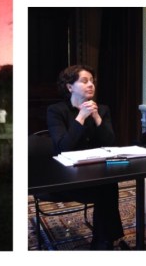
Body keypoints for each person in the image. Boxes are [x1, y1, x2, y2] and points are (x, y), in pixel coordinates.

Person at [46, 65, 125, 249]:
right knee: (107, 188)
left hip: (94, 175)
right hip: (66, 178)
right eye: (84, 81)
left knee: (108, 184)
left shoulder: (103, 109)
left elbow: (111, 144)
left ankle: (103, 242)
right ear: (69, 87)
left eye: (92, 81)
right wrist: (81, 117)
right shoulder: (56, 111)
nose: (91, 85)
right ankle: (106, 241)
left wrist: (97, 117)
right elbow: (62, 148)